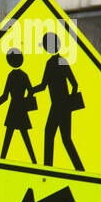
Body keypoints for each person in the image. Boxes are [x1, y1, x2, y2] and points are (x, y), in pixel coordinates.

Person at [32, 32, 84, 171]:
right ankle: (78, 169)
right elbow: (74, 84)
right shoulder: (61, 61)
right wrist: (70, 101)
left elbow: (44, 86)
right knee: (64, 139)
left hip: (58, 106)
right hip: (62, 106)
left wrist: (31, 90)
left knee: (52, 135)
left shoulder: (52, 63)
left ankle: (49, 168)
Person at [0, 47, 37, 162]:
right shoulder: (24, 75)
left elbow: (5, 96)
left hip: (14, 108)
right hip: (21, 107)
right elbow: (31, 90)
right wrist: (27, 100)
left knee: (10, 136)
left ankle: (2, 159)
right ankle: (34, 161)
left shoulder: (11, 76)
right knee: (23, 135)